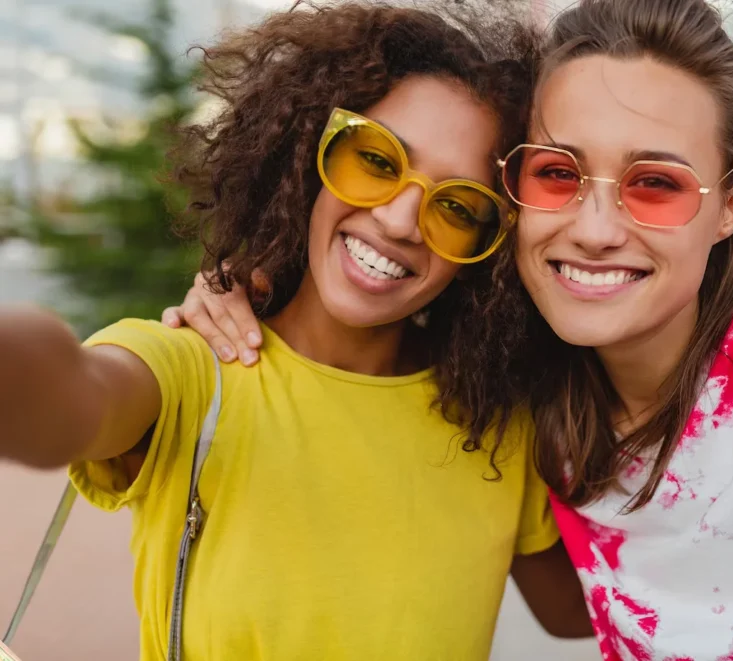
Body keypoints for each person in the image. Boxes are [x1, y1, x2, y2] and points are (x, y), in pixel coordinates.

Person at [172, 1, 733, 659]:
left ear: (730, 204)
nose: (596, 228)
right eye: (558, 173)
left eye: (655, 184)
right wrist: (263, 285)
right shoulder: (524, 388)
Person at [0, 3, 593, 660]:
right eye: (375, 158)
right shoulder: (194, 371)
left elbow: (585, 611)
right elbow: (62, 397)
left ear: (491, 251)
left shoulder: (496, 423)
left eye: (458, 205)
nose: (400, 220)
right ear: (308, 149)